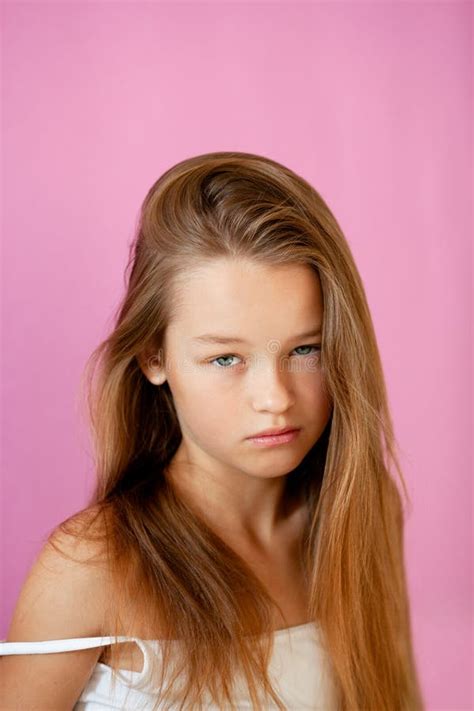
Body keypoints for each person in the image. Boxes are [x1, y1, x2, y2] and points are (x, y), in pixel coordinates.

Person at [0, 151, 425, 710]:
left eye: (305, 350)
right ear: (154, 358)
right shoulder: (90, 567)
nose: (275, 399)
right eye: (226, 359)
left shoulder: (361, 518)